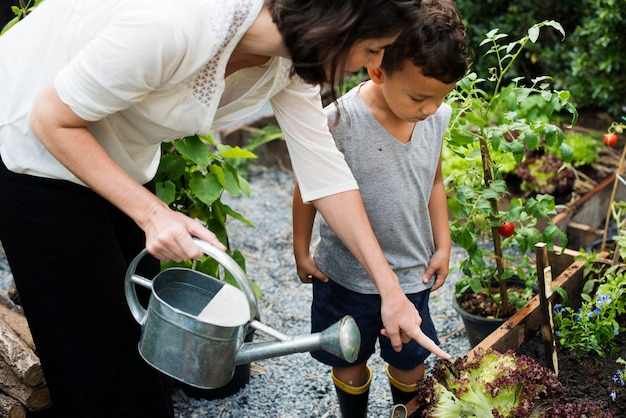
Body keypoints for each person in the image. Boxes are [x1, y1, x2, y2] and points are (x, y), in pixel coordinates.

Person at [0, 0, 452, 417]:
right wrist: (153, 213)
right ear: (335, 24)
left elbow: (327, 178)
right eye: (373, 48)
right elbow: (50, 118)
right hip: (34, 146)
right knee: (93, 360)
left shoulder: (293, 62)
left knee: (142, 339)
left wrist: (390, 291)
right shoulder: (180, 22)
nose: (375, 65)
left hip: (117, 154)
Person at [292, 1, 469, 416]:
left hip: (410, 275)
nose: (431, 109)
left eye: (441, 98)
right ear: (377, 70)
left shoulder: (436, 116)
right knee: (348, 358)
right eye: (419, 97)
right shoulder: (339, 121)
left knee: (410, 363)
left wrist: (442, 244)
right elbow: (309, 188)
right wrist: (302, 249)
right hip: (345, 277)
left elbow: (435, 180)